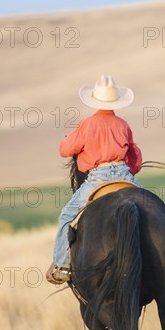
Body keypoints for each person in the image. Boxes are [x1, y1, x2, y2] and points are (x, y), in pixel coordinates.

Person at [46, 75, 142, 285]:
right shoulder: (123, 124)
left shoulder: (87, 124)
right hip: (125, 175)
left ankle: (61, 266)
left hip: (98, 178)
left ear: (94, 99)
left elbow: (65, 150)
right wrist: (131, 169)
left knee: (66, 216)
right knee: (152, 205)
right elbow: (135, 157)